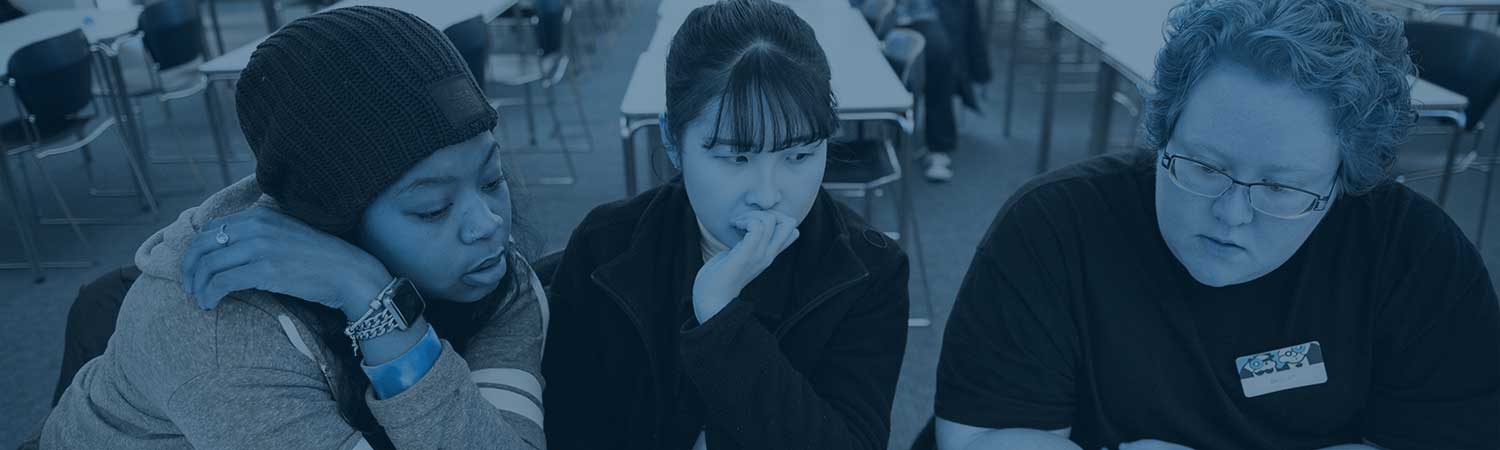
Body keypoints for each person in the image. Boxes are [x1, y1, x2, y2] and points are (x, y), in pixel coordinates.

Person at [934, 0, 1500, 449]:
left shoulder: (1415, 258)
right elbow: (981, 433)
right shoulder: (1054, 227)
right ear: (1161, 132)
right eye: (1203, 167)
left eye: (1281, 188)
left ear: (1344, 180)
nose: (1231, 214)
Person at [42, 7, 547, 450]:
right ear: (334, 221)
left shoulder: (492, 273)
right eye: (433, 209)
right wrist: (377, 304)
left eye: (491, 178)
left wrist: (381, 312)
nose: (488, 225)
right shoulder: (220, 333)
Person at [541, 1, 910, 449]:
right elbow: (570, 431)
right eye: (736, 157)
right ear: (673, 142)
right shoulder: (605, 247)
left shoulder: (870, 271)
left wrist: (720, 318)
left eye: (799, 155)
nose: (768, 194)